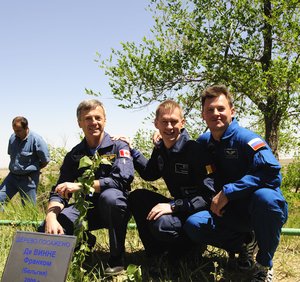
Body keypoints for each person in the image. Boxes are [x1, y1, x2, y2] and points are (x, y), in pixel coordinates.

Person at [183, 85, 288, 282]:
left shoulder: (246, 139)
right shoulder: (204, 142)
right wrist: (160, 141)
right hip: (230, 212)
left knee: (266, 198)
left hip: (259, 209)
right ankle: (245, 243)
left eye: (221, 108)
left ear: (232, 111)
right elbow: (183, 148)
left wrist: (228, 192)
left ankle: (264, 264)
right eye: (210, 110)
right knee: (193, 224)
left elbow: (272, 172)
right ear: (203, 115)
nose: (216, 114)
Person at [37, 99, 134, 276]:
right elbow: (60, 189)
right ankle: (84, 241)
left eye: (98, 117)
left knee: (111, 198)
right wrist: (51, 216)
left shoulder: (119, 145)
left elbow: (122, 180)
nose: (94, 122)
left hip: (115, 208)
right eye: (88, 118)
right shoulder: (74, 154)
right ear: (79, 123)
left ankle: (117, 260)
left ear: (105, 120)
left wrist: (81, 186)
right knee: (46, 228)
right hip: (86, 209)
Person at [120, 100, 216, 272]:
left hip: (195, 212)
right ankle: (156, 254)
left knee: (162, 223)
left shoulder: (195, 151)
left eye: (174, 121)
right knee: (137, 198)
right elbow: (150, 173)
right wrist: (132, 151)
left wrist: (173, 206)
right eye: (164, 121)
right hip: (178, 208)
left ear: (182, 123)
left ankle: (186, 252)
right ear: (156, 124)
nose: (169, 126)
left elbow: (209, 197)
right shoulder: (161, 148)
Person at [0, 116, 50, 208]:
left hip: (28, 179)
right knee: (0, 198)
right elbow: (11, 155)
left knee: (28, 209)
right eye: (14, 130)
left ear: (26, 128)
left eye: (18, 131)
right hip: (12, 177)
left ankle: (29, 223)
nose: (16, 133)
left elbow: (45, 160)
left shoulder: (37, 140)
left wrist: (32, 169)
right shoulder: (12, 138)